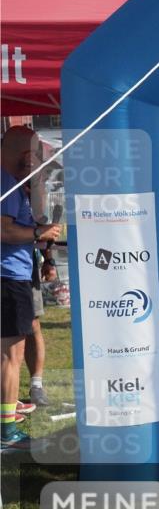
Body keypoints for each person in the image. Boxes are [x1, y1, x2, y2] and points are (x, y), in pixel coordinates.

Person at [1, 126, 62, 448]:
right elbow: (6, 232)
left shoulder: (14, 182)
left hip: (14, 274)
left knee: (9, 351)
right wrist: (41, 233)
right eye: (36, 155)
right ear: (26, 154)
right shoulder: (6, 184)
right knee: (10, 355)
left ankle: (7, 413)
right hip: (9, 276)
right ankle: (6, 431)